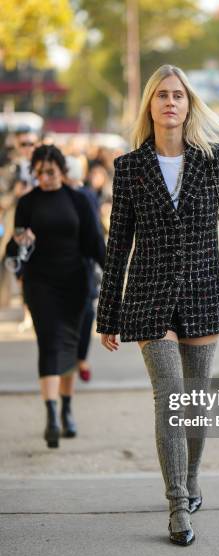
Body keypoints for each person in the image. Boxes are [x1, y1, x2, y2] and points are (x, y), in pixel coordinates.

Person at [96, 64, 219, 546]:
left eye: (178, 95)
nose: (170, 102)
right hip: (149, 298)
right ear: (149, 105)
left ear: (189, 105)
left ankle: (192, 480)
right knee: (171, 399)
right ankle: (177, 504)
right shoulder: (130, 167)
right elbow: (118, 245)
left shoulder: (213, 159)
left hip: (202, 293)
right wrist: (108, 314)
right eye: (161, 96)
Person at [6, 145, 105, 448]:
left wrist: (114, 277)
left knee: (70, 347)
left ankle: (66, 409)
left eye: (51, 171)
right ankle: (51, 416)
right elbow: (14, 250)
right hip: (40, 285)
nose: (45, 177)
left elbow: (94, 242)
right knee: (49, 344)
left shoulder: (79, 199)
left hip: (75, 283)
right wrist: (20, 244)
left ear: (63, 171)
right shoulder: (27, 203)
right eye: (40, 172)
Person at [65, 156, 104, 382]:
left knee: (87, 312)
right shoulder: (54, 196)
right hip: (63, 264)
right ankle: (74, 358)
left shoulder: (86, 196)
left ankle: (80, 358)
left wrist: (106, 262)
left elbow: (95, 233)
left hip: (83, 261)